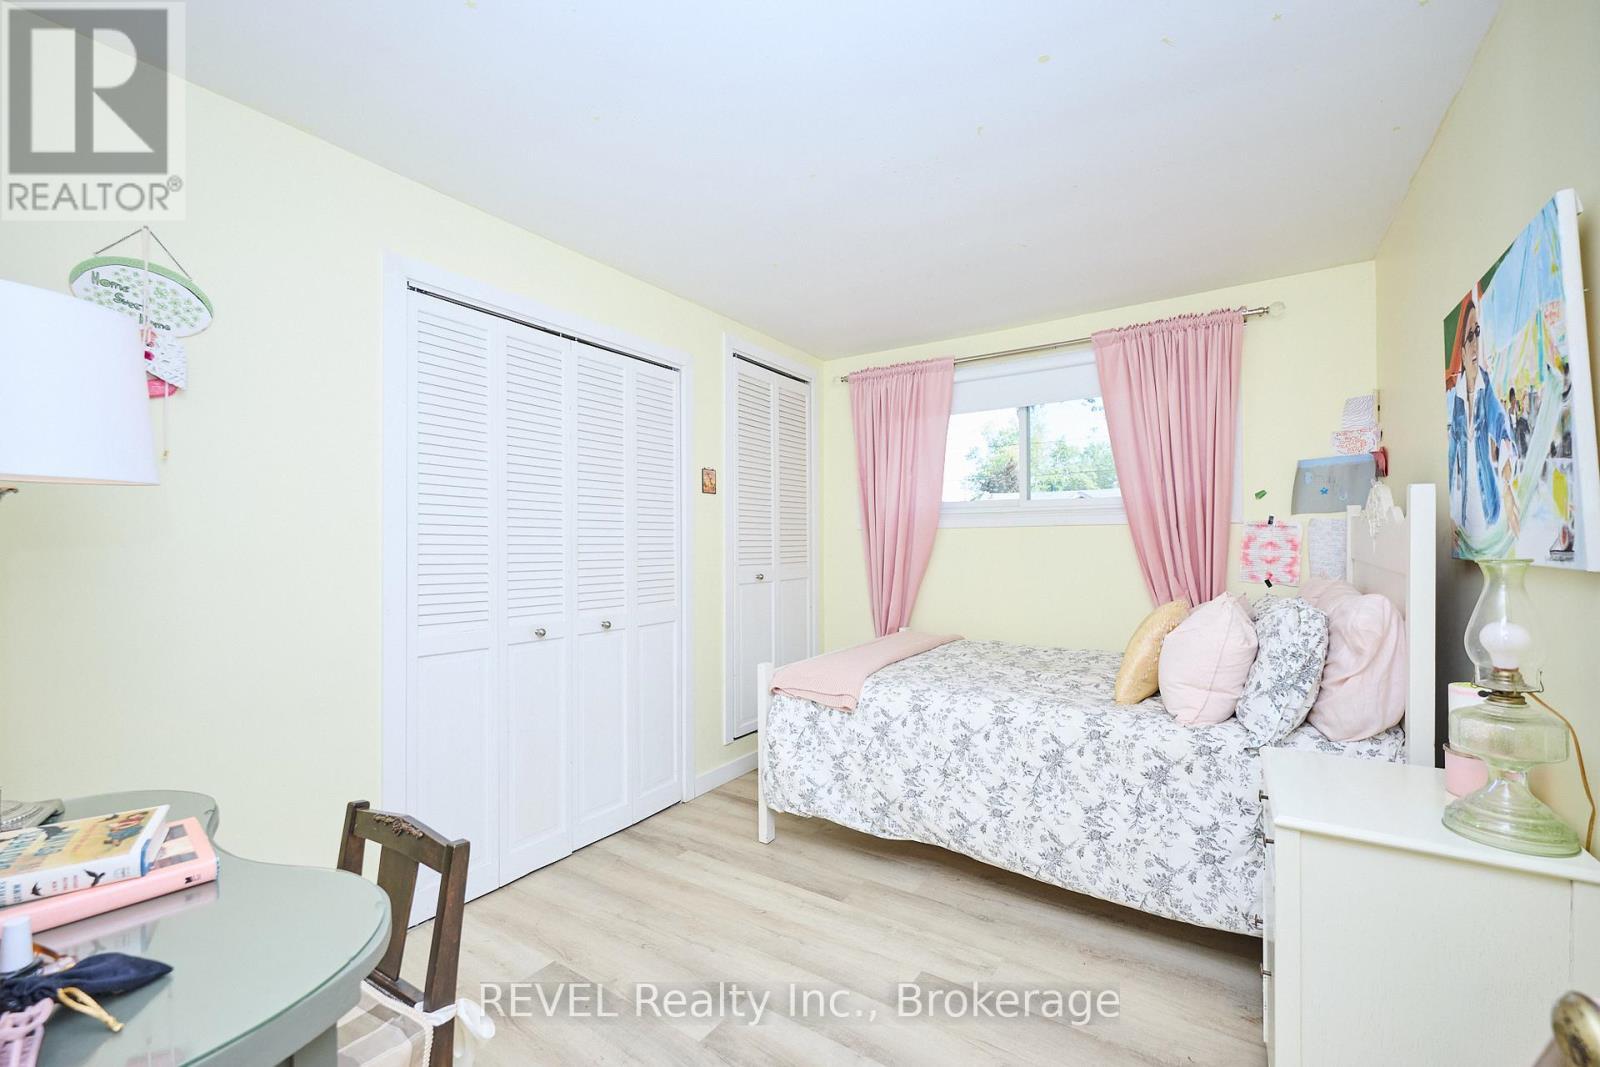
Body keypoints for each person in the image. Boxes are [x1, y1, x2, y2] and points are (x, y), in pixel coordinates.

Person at [1447, 297, 1518, 542]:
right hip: (1464, 516)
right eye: (1470, 337)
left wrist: (1507, 482)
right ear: (1461, 351)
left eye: (1477, 333)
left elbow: (1501, 425)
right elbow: (1449, 460)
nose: (1476, 343)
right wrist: (1448, 515)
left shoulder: (1484, 387)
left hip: (1490, 509)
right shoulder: (1454, 399)